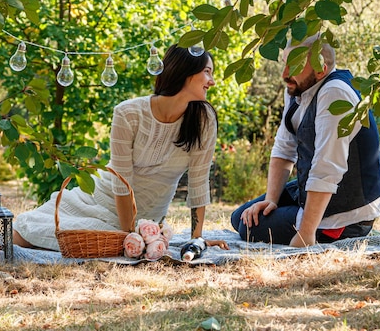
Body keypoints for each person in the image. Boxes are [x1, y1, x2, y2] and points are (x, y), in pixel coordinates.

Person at [14, 44, 229, 251]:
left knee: (99, 245)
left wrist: (196, 238)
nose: (212, 81)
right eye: (207, 72)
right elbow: (121, 180)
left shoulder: (204, 119)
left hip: (148, 217)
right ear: (185, 71)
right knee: (24, 235)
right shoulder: (128, 113)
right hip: (99, 201)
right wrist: (130, 234)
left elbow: (199, 180)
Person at [230, 34, 380, 247]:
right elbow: (284, 148)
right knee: (240, 217)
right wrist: (272, 199)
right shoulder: (297, 87)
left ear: (321, 70)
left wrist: (305, 234)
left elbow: (327, 169)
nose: (284, 75)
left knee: (248, 227)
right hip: (312, 190)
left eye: (294, 68)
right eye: (285, 65)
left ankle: (318, 230)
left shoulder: (334, 93)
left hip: (346, 216)